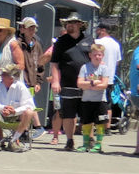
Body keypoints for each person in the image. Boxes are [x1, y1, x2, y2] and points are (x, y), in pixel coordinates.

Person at [50, 12, 92, 151]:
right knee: (68, 114)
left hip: (86, 84)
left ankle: (89, 141)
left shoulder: (89, 40)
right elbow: (54, 63)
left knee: (87, 114)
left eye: (72, 23)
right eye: (67, 23)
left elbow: (95, 59)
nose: (69, 25)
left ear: (79, 24)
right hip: (68, 83)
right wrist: (55, 81)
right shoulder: (61, 41)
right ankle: (69, 140)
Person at [0, 63, 37, 152]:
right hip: (1, 115)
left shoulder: (21, 87)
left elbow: (30, 105)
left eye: (4, 74)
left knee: (29, 112)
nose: (1, 76)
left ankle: (13, 141)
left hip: (17, 117)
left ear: (12, 78)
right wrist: (3, 108)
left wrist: (14, 111)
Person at [76, 42, 112, 152]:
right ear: (90, 55)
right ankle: (86, 144)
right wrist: (93, 83)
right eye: (95, 54)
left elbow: (104, 85)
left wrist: (88, 85)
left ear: (103, 56)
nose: (97, 57)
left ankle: (98, 145)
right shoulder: (85, 67)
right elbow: (79, 84)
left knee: (100, 123)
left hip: (100, 101)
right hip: (87, 100)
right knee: (86, 122)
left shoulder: (104, 68)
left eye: (99, 55)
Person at [16, 17, 48, 141]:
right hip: (20, 80)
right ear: (22, 29)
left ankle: (35, 128)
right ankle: (26, 130)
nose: (32, 30)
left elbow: (41, 64)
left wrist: (38, 81)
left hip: (31, 82)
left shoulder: (36, 45)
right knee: (24, 106)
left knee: (27, 105)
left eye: (34, 28)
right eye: (29, 28)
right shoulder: (18, 44)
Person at [94, 20, 122, 127]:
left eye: (97, 29)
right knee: (107, 103)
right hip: (109, 78)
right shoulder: (116, 44)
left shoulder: (97, 42)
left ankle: (94, 125)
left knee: (94, 102)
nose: (96, 31)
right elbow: (117, 61)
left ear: (103, 30)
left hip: (97, 77)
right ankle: (107, 126)